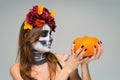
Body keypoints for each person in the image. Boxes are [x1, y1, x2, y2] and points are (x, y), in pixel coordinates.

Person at [10, 5, 104, 80]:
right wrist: (67, 69)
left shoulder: (64, 60)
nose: (50, 38)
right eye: (44, 34)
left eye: (50, 34)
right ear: (28, 37)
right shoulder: (17, 70)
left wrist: (84, 64)